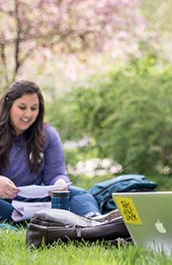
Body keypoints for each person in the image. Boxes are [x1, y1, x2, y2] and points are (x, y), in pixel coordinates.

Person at [0, 80, 101, 223]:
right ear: (9, 106)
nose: (28, 114)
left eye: (34, 108)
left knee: (79, 194)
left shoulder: (47, 135)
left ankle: (95, 222)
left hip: (38, 201)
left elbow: (56, 173)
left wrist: (59, 183)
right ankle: (28, 220)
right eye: (22, 107)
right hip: (6, 203)